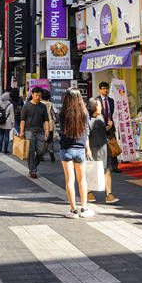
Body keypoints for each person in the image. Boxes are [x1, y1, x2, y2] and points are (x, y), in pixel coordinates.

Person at [57, 89, 94, 218]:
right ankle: (84, 208)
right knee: (82, 179)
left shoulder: (63, 114)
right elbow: (86, 132)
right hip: (80, 149)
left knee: (69, 180)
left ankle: (73, 210)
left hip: (66, 149)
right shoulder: (84, 113)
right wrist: (88, 149)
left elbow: (60, 131)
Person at [87, 98, 117, 204]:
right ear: (93, 107)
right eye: (99, 105)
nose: (101, 107)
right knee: (90, 171)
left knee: (107, 170)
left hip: (104, 147)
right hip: (92, 148)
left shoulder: (101, 117)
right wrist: (88, 150)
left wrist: (109, 127)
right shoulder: (87, 119)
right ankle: (88, 192)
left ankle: (109, 194)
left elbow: (103, 130)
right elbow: (85, 136)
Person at [19, 86, 50, 180]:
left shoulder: (43, 106)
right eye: (36, 95)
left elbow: (46, 120)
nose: (38, 97)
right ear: (32, 95)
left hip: (40, 131)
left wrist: (47, 130)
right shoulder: (26, 106)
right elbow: (22, 120)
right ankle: (33, 171)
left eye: (39, 96)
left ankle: (33, 166)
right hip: (29, 130)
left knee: (41, 151)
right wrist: (21, 131)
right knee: (31, 151)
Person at [96, 82, 119, 173]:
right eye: (103, 88)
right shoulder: (96, 100)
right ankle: (101, 166)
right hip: (100, 127)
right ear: (100, 89)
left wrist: (111, 124)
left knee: (113, 145)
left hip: (110, 126)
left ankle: (115, 166)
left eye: (107, 88)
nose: (105, 90)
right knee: (100, 147)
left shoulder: (111, 100)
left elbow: (112, 114)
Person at [41, 89, 57, 163]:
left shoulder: (38, 103)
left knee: (42, 140)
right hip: (50, 125)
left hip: (40, 125)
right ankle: (51, 150)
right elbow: (56, 113)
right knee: (50, 140)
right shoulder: (51, 104)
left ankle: (41, 155)